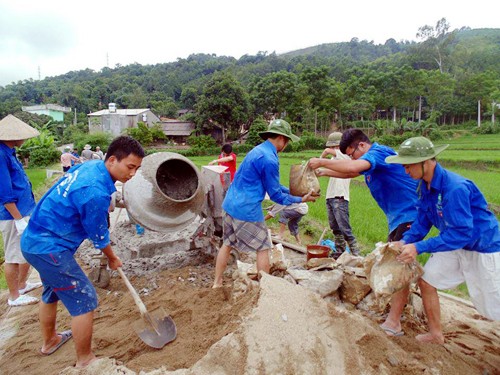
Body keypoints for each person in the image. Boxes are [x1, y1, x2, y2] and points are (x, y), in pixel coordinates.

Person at [21, 135, 145, 367]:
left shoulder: (91, 166)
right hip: (50, 248)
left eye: (137, 168)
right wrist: (113, 258)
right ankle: (85, 360)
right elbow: (99, 236)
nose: (132, 174)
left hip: (34, 240)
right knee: (85, 298)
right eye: (130, 167)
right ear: (111, 160)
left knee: (51, 292)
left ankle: (50, 341)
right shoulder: (95, 192)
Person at [380, 136, 500, 343]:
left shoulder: (455, 188)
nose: (406, 171)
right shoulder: (425, 186)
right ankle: (436, 334)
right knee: (428, 280)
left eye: (408, 166)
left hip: (483, 247)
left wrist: (419, 247)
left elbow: (462, 233)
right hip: (456, 244)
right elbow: (423, 220)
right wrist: (406, 240)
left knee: (494, 303)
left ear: (426, 162)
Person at [213, 119, 318, 288]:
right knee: (263, 247)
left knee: (227, 244)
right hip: (246, 209)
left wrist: (292, 192)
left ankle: (216, 282)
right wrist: (300, 199)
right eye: (287, 141)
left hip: (230, 205)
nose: (286, 145)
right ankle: (266, 290)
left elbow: (274, 187)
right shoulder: (270, 159)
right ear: (282, 139)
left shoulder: (257, 150)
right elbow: (276, 195)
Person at [309, 129, 419, 242]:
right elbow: (351, 173)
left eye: (352, 155)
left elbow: (353, 167)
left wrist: (321, 162)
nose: (352, 159)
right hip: (399, 218)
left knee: (398, 256)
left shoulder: (378, 153)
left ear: (361, 145)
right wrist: (323, 172)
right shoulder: (371, 162)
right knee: (392, 256)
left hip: (410, 213)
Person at [0, 114, 43, 307]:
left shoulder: (10, 152)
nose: (25, 139)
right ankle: (14, 296)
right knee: (12, 255)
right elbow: (4, 191)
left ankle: (23, 284)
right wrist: (18, 219)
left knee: (25, 250)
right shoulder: (1, 155)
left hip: (24, 209)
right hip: (12, 214)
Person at [319, 132, 360, 255]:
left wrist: (325, 153)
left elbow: (341, 157)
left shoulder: (347, 158)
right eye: (333, 147)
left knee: (345, 228)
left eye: (335, 147)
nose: (333, 149)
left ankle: (356, 254)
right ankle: (340, 252)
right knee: (335, 229)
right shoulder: (333, 159)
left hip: (340, 197)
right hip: (330, 197)